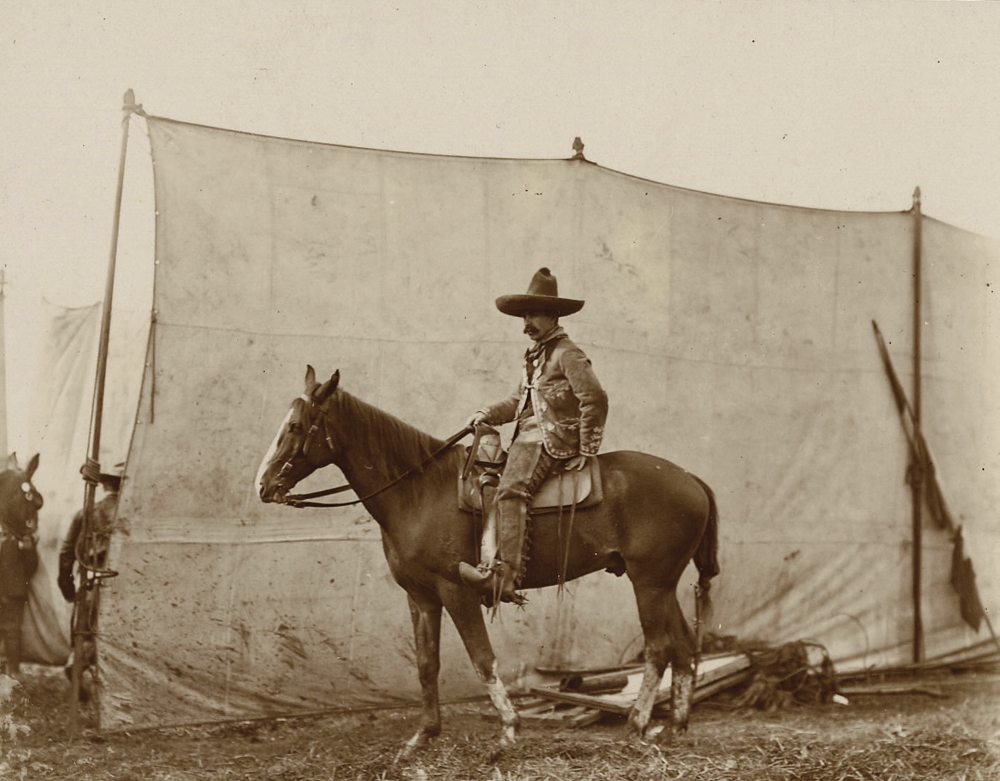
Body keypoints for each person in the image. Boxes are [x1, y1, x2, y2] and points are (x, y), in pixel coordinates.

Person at [459, 268, 608, 604]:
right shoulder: (535, 356)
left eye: (535, 314)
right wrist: (486, 413)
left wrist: (586, 446)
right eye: (524, 315)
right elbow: (517, 402)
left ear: (553, 316)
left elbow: (595, 398)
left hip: (550, 441)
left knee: (511, 491)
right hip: (527, 439)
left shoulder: (567, 353)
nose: (527, 322)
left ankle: (503, 575)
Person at [58, 463, 123, 691]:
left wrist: (66, 586)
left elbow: (66, 552)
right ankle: (80, 667)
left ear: (104, 484)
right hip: (121, 585)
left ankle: (76, 664)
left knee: (86, 633)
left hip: (90, 582)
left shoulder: (85, 512)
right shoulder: (128, 515)